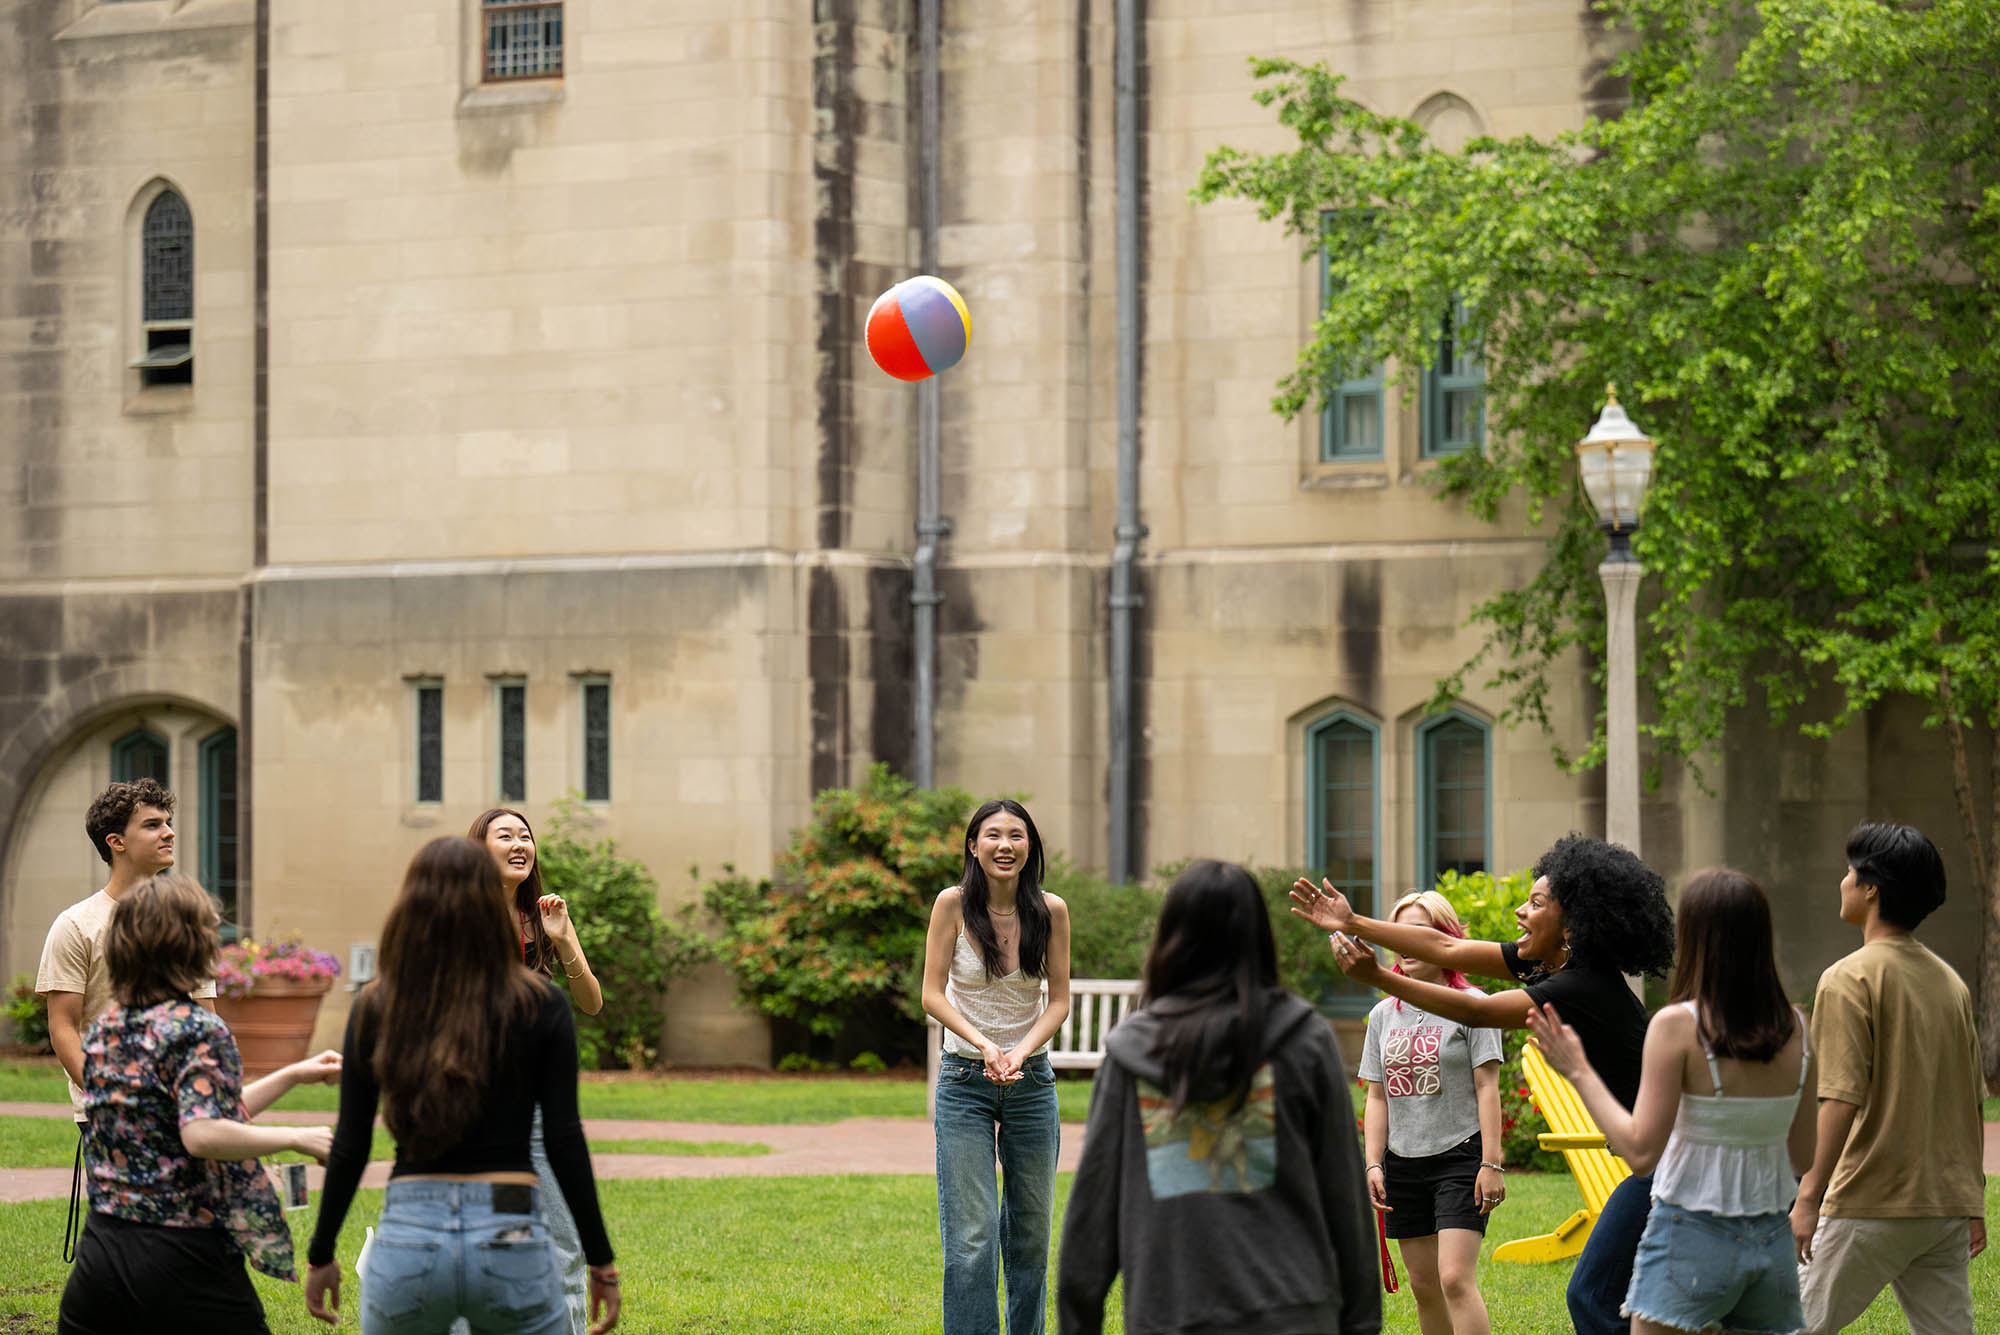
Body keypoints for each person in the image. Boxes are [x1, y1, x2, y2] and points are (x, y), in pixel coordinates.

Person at [1294, 833, 1674, 1335]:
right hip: (1663, 1163)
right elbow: (1446, 946)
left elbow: (1477, 1010)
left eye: (1536, 903)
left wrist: (1379, 978)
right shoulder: (1553, 962)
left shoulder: (1582, 987)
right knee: (1611, 1299)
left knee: (1592, 1295)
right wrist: (1353, 921)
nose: (1521, 911)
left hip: (1671, 1167)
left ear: (1571, 925)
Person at [304, 836, 620, 1334]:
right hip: (510, 1223)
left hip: (410, 1225)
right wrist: (601, 1261)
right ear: (489, 902)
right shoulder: (539, 1003)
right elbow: (563, 1138)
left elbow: (352, 1141)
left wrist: (321, 1253)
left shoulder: (379, 1003)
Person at [1056, 860, 1379, 1335]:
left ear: (1170, 938)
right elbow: (1345, 1197)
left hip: (1170, 1314)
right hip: (1293, 1313)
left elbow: (1091, 1216)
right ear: (1260, 938)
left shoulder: (1132, 1050)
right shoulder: (1306, 1040)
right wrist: (1361, 1322)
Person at [1525, 867, 1818, 1335]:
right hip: (1769, 1243)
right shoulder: (1798, 1028)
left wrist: (1577, 1068)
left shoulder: (1677, 1025)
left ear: (1695, 939)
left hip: (1690, 1238)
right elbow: (1803, 1155)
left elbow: (1641, 1153)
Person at [59, 871, 340, 1335]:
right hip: (183, 1258)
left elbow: (192, 1110)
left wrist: (293, 1074)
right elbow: (201, 1132)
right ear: (190, 944)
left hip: (102, 1255)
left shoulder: (108, 1029)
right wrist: (297, 1137)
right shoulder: (198, 1029)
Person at [1787, 823, 1987, 1334]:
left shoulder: (1847, 977)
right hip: (1941, 1209)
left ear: (1871, 888)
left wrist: (1807, 1198)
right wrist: (1972, 1200)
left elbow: (1839, 1097)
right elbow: (1969, 1101)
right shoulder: (1951, 983)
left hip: (1868, 1201)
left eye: (1850, 871)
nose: (1842, 881)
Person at [38, 779, 221, 1259]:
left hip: (181, 1110)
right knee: (125, 1241)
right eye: (153, 825)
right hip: (107, 1110)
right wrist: (107, 1093)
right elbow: (64, 1028)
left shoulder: (184, 922)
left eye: (169, 823)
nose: (170, 833)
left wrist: (204, 1099)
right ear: (115, 842)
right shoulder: (76, 925)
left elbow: (206, 1024)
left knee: (187, 1236)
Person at [921, 799, 1072, 1335]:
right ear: (973, 845)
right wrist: (985, 1045)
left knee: (1030, 1235)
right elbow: (932, 995)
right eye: (993, 835)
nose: (1004, 845)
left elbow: (1058, 1001)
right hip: (964, 1081)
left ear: (1030, 846)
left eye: (1016, 835)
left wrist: (1021, 1051)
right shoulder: (952, 905)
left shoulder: (1050, 910)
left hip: (1032, 1083)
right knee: (972, 1235)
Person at [470, 807, 603, 1335]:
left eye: (526, 835)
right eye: (505, 835)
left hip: (538, 1108)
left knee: (562, 1240)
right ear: (479, 849)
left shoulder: (541, 918)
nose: (520, 842)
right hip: (475, 1109)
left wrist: (564, 938)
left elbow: (591, 1003)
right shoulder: (459, 917)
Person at [1357, 891, 1504, 1335]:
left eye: (1420, 933)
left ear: (1445, 940)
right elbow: (1377, 1096)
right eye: (1399, 933)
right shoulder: (1383, 1013)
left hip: (1460, 1156)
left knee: (1455, 1279)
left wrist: (1491, 1163)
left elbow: (1487, 1085)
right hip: (1403, 1162)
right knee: (1423, 1286)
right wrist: (1374, 1162)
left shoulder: (1473, 1004)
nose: (1406, 944)